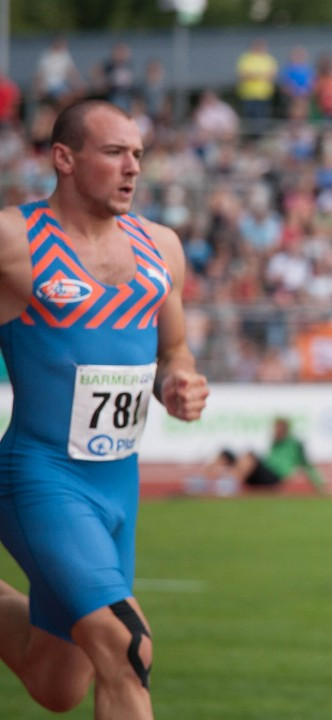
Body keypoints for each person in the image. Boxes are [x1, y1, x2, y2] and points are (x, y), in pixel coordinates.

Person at [0, 99, 209, 717]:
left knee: (58, 682)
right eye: (114, 152)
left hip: (119, 487)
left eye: (138, 154)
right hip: (40, 476)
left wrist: (180, 382)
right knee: (126, 644)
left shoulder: (160, 247)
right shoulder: (15, 240)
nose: (132, 168)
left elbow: (174, 349)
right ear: (64, 159)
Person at [188, 416, 325, 496]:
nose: (274, 431)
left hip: (273, 477)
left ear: (285, 429)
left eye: (277, 428)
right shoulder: (275, 442)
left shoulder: (296, 445)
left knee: (250, 455)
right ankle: (201, 482)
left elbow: (308, 466)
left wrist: (320, 486)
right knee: (226, 453)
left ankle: (229, 485)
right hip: (260, 472)